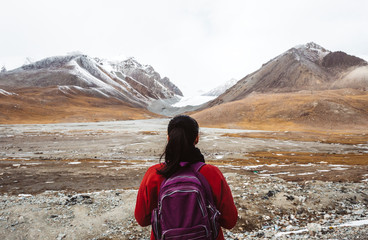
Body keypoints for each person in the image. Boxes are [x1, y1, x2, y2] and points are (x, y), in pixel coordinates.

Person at [135, 115, 238, 239]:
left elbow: (142, 219)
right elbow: (230, 221)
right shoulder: (212, 173)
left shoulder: (154, 174)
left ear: (168, 138)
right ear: (197, 138)